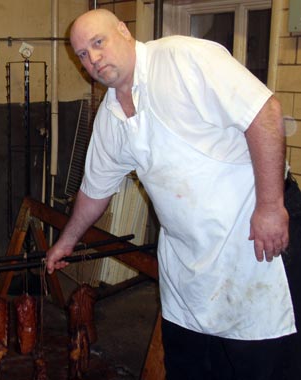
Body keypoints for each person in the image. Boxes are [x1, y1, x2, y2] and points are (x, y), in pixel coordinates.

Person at [46, 8, 296, 380]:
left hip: (253, 243)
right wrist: (66, 241)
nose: (93, 59)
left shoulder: (183, 59)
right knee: (191, 367)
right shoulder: (110, 116)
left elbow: (265, 114)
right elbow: (94, 191)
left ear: (123, 32)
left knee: (263, 366)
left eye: (98, 43)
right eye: (82, 54)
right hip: (188, 269)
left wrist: (271, 206)